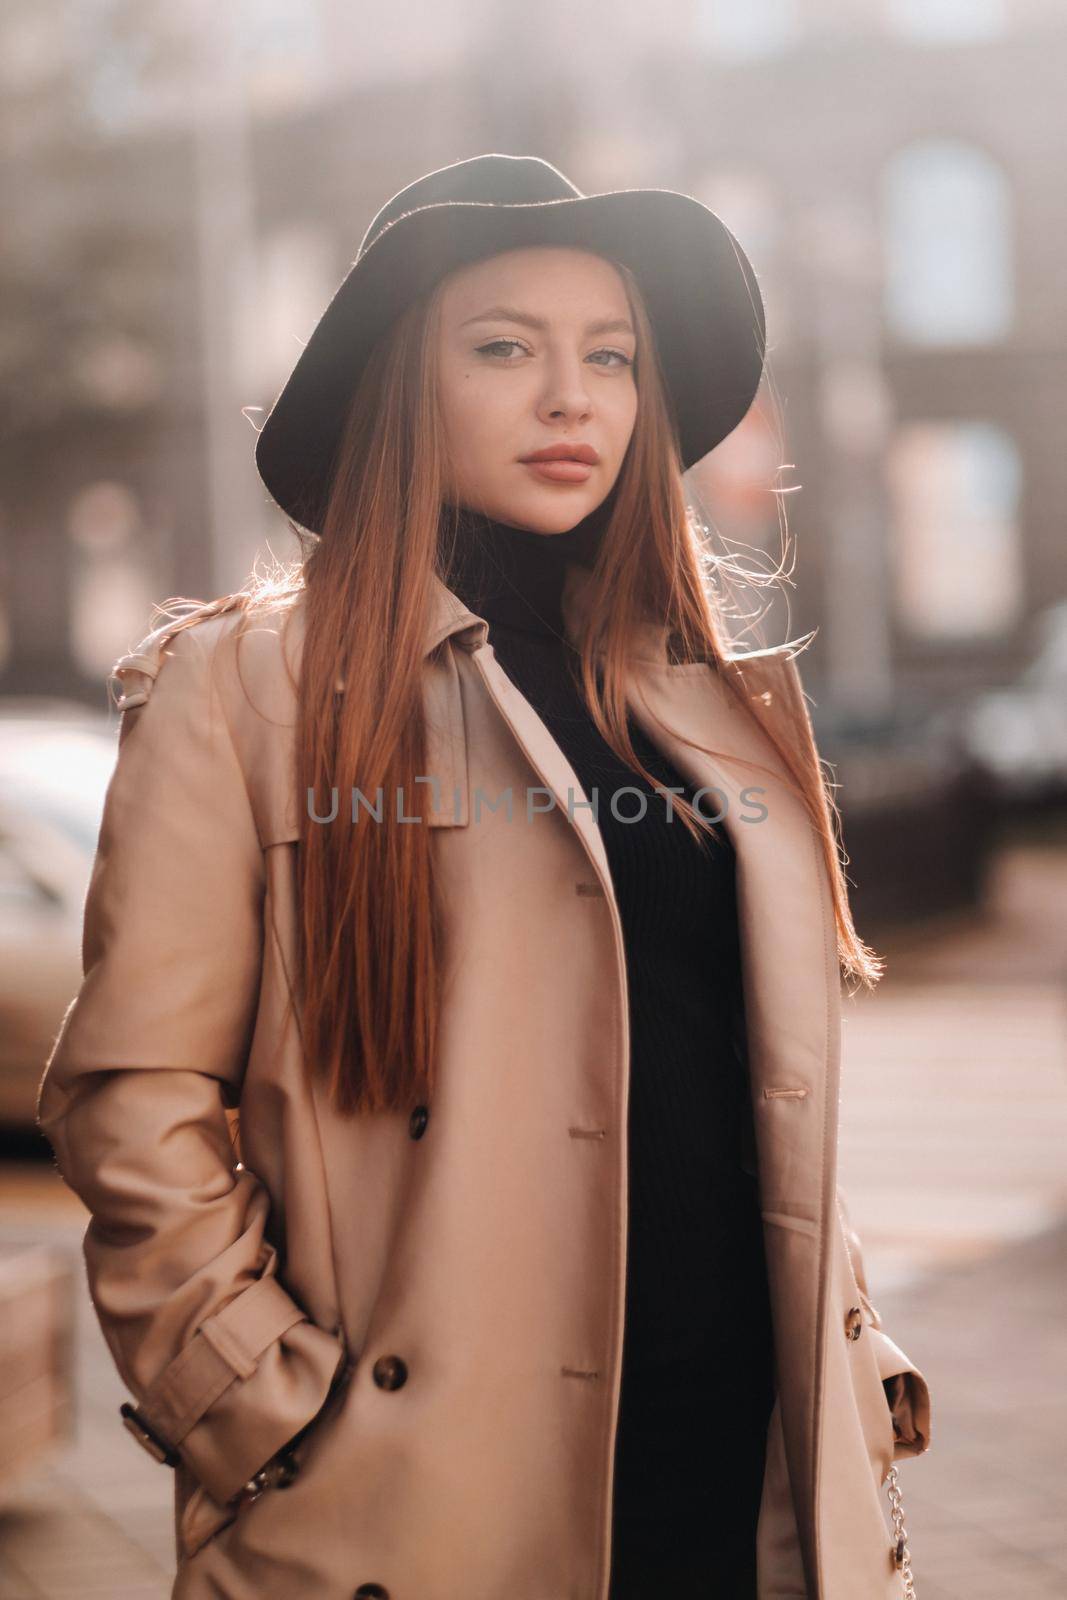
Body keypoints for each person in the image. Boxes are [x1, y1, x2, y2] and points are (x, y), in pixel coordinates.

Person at [38, 154, 930, 1600]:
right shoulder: (249, 690)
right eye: (506, 348)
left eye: (612, 358)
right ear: (405, 383)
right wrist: (252, 1398)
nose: (571, 398)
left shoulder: (702, 703)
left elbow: (757, 1081)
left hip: (743, 1471)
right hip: (416, 1494)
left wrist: (855, 1351)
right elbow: (129, 1094)